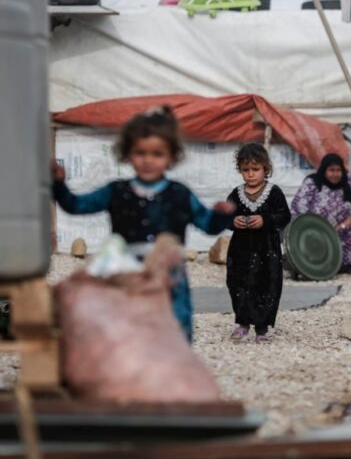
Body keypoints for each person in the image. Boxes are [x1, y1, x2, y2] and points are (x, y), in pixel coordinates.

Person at [52, 106, 234, 342]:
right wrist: (58, 185)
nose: (148, 160)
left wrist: (222, 215)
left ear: (171, 157)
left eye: (157, 154)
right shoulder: (116, 192)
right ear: (127, 153)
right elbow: (76, 206)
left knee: (174, 330)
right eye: (140, 152)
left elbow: (208, 224)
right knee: (128, 333)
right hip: (127, 275)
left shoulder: (180, 194)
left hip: (170, 281)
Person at [226, 143, 291, 342]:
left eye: (255, 169)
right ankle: (243, 323)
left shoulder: (274, 192)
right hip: (240, 251)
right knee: (239, 284)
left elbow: (285, 216)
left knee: (267, 285)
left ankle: (262, 329)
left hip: (267, 251)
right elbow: (224, 216)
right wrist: (233, 221)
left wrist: (265, 220)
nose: (250, 174)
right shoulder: (236, 194)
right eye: (246, 170)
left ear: (265, 168)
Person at [291, 153, 351, 271]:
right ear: (324, 170)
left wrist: (345, 224)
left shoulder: (350, 181)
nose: (335, 174)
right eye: (331, 170)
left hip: (344, 230)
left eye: (338, 170)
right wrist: (318, 227)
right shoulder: (313, 182)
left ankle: (348, 265)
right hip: (316, 231)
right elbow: (299, 206)